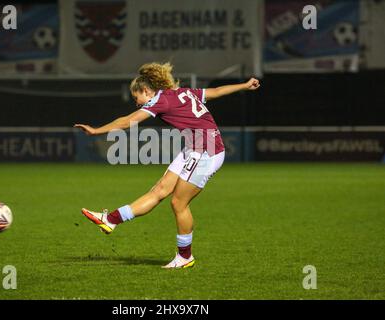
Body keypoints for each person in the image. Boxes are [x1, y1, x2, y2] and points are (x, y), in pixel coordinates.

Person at [74, 62, 260, 268]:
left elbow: (128, 121)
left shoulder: (160, 100)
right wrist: (243, 85)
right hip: (194, 148)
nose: (138, 104)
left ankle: (185, 257)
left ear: (146, 90)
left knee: (178, 203)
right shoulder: (183, 93)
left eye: (137, 99)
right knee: (159, 191)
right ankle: (110, 220)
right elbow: (216, 91)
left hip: (207, 151)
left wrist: (96, 130)